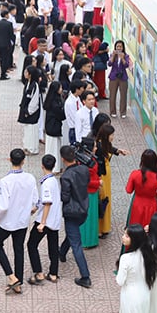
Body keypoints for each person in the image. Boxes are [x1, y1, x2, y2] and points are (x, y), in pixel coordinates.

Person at [0, 148, 39, 294]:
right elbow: (36, 201)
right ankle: (18, 283)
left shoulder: (5, 181)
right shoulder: (30, 178)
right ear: (23, 161)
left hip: (7, 222)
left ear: (10, 159)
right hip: (22, 221)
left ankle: (11, 276)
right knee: (19, 249)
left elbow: (3, 205)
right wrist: (29, 210)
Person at [58, 145, 92, 288]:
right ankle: (62, 252)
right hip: (83, 209)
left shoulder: (65, 176)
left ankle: (85, 276)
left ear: (63, 159)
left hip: (71, 211)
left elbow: (65, 197)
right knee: (72, 234)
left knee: (76, 244)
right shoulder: (84, 170)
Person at [116, 224, 157, 313]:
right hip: (145, 294)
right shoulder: (148, 255)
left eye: (127, 236)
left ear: (134, 240)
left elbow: (120, 281)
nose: (123, 237)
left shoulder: (126, 258)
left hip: (130, 296)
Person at [26, 154, 62, 285]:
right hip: (55, 219)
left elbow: (48, 202)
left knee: (31, 244)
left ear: (42, 165)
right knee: (53, 245)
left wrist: (42, 223)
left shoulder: (46, 183)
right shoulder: (53, 180)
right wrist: (36, 208)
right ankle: (53, 273)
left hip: (45, 220)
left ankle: (39, 273)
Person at [95, 123, 128, 238]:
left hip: (107, 174)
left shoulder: (104, 144)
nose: (113, 136)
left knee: (106, 199)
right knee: (103, 200)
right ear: (105, 135)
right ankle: (100, 228)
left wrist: (118, 151)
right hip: (102, 176)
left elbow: (110, 148)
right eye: (111, 134)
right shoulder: (98, 147)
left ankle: (105, 227)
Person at [126, 150, 157, 227]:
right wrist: (153, 194)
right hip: (152, 204)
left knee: (135, 226)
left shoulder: (135, 174)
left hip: (137, 203)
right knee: (149, 227)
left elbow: (128, 190)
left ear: (142, 161)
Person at [18, 66, 42, 155]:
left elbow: (35, 102)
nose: (25, 74)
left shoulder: (34, 86)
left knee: (32, 130)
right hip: (26, 111)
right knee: (27, 130)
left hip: (31, 113)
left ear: (30, 74)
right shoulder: (28, 83)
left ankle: (33, 149)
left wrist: (28, 112)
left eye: (26, 72)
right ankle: (27, 146)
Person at [43, 81, 65, 164]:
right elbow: (60, 114)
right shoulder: (55, 102)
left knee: (52, 146)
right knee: (54, 147)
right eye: (60, 88)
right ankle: (55, 166)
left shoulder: (51, 99)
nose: (61, 89)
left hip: (50, 126)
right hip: (54, 126)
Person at [108, 40, 131, 118]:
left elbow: (126, 65)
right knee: (112, 95)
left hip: (123, 77)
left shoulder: (126, 56)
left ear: (123, 47)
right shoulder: (112, 55)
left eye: (120, 47)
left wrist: (123, 58)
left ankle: (123, 112)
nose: (119, 48)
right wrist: (114, 56)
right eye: (117, 46)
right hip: (113, 77)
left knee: (123, 95)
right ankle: (112, 111)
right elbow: (109, 64)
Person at [0, 7, 16, 80]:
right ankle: (3, 74)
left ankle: (3, 72)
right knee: (5, 59)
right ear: (6, 15)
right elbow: (11, 35)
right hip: (6, 44)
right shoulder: (9, 24)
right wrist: (12, 42)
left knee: (1, 58)